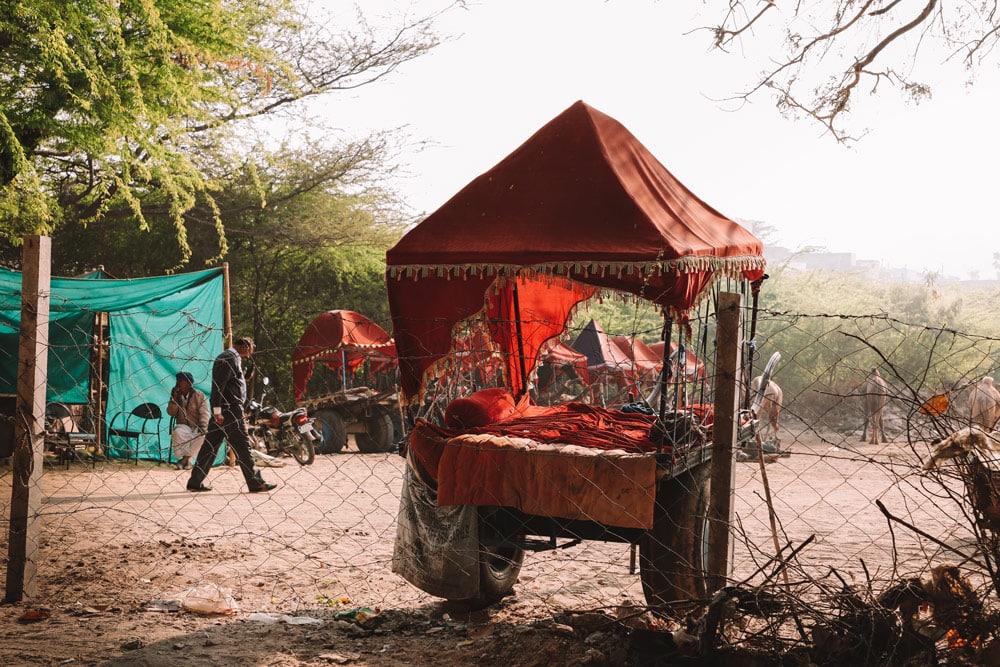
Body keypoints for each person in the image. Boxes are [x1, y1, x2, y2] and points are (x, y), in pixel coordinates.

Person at [187, 337, 277, 493]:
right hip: (229, 411)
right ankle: (256, 482)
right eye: (252, 346)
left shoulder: (232, 358)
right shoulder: (228, 358)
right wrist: (217, 411)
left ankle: (195, 481)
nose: (253, 349)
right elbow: (218, 386)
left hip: (225, 410)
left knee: (210, 447)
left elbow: (229, 384)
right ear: (244, 345)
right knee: (243, 445)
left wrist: (243, 378)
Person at [166, 371, 209, 470]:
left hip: (197, 425)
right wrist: (173, 400)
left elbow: (204, 412)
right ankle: (187, 461)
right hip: (183, 425)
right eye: (177, 380)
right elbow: (171, 413)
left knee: (203, 437)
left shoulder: (199, 395)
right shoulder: (176, 395)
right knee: (177, 432)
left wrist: (203, 426)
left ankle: (185, 460)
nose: (178, 383)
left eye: (180, 380)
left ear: (189, 383)